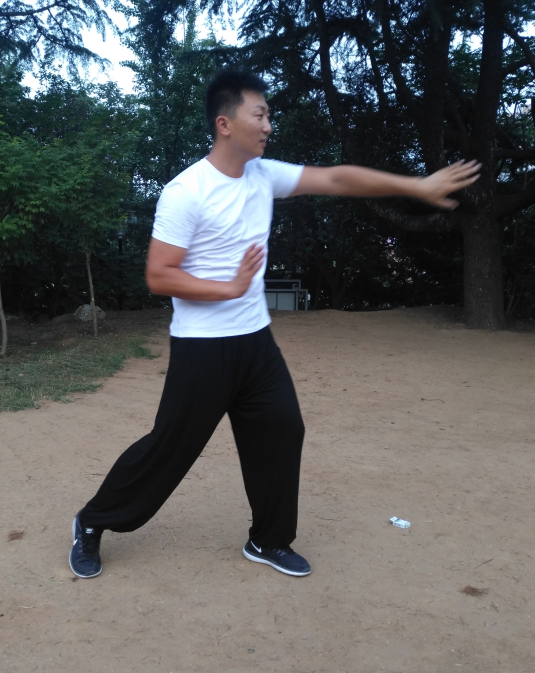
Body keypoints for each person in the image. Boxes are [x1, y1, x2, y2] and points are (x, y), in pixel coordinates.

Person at [69, 69, 480, 579]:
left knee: (282, 430)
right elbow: (159, 275)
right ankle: (92, 520)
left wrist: (416, 185)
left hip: (256, 342)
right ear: (225, 124)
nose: (268, 125)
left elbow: (335, 178)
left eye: (268, 116)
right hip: (203, 347)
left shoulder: (263, 175)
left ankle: (268, 540)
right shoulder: (186, 191)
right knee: (169, 448)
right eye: (259, 115)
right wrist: (229, 288)